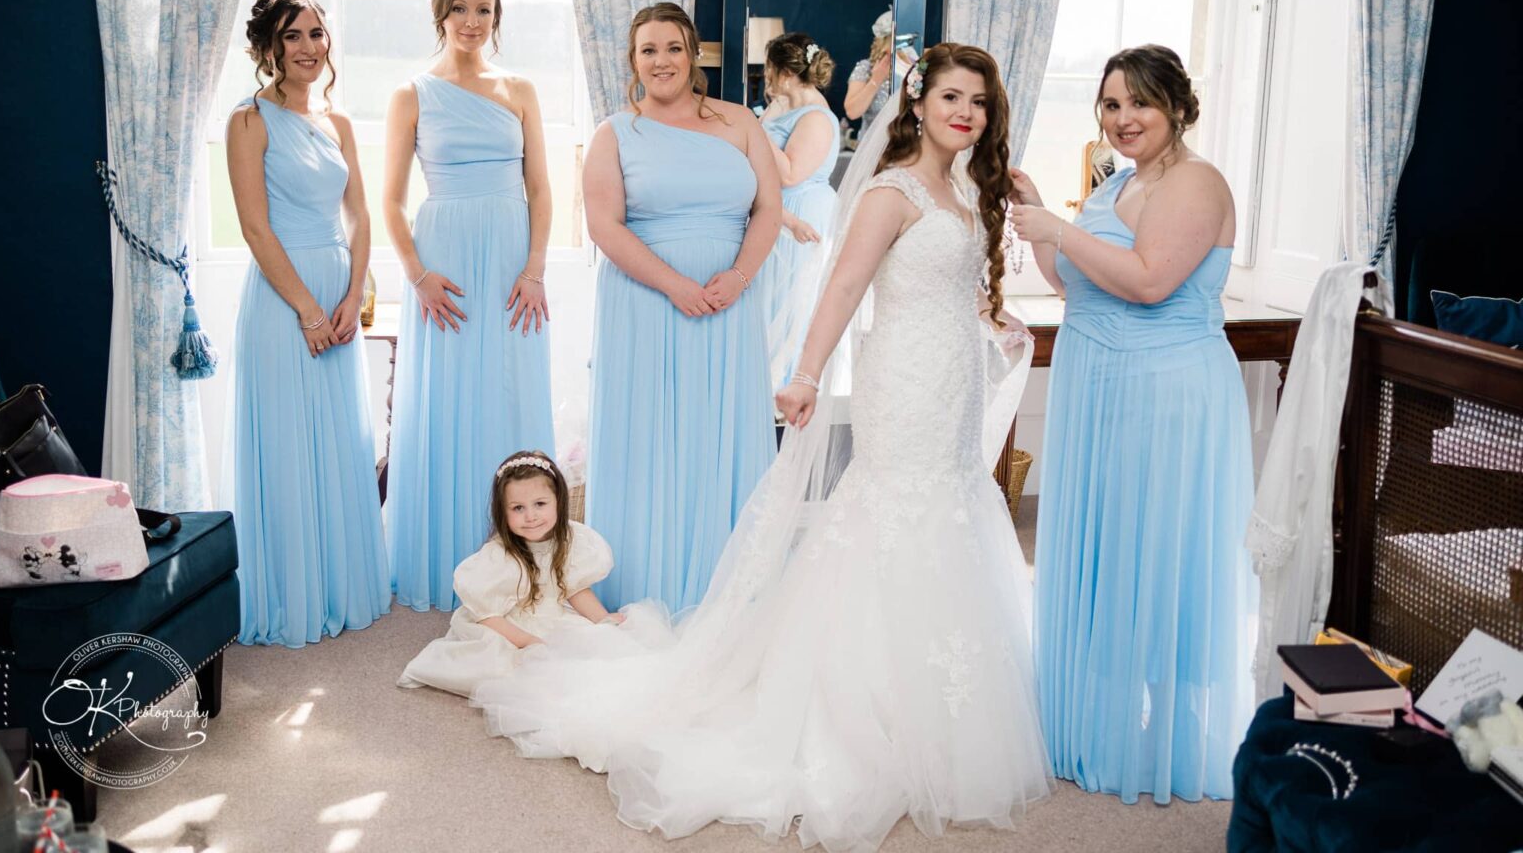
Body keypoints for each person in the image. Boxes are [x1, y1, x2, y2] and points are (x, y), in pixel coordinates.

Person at [472, 43, 1052, 851]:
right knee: (895, 514)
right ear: (917, 104)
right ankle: (867, 710)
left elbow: (953, 284)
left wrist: (995, 318)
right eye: (951, 96)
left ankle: (946, 708)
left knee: (951, 510)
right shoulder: (890, 191)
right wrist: (806, 373)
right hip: (903, 386)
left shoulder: (965, 190)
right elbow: (843, 286)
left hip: (953, 383)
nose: (966, 113)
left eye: (979, 102)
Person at [1011, 43, 1254, 804]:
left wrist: (1056, 226)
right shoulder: (1116, 182)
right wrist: (1043, 218)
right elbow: (1073, 283)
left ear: (1177, 106)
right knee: (1111, 543)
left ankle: (1172, 728)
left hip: (1165, 390)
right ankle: (1101, 719)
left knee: (1160, 547)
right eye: (1112, 105)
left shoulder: (1195, 182)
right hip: (1099, 389)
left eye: (1140, 103)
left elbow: (1150, 283)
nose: (1123, 119)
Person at [583, 2, 782, 613]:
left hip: (729, 304)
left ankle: (726, 588)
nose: (662, 60)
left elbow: (769, 209)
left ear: (693, 54)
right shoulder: (615, 133)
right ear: (633, 60)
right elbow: (604, 226)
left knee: (719, 434)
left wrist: (740, 277)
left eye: (674, 47)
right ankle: (647, 586)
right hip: (645, 303)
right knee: (651, 441)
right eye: (649, 50)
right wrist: (674, 285)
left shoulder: (740, 122)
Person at [382, 0, 556, 613]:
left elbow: (541, 188)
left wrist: (534, 269)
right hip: (445, 263)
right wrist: (418, 276)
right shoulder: (412, 94)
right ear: (440, 14)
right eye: (460, 8)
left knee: (509, 391)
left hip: (511, 261)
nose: (472, 21)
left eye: (483, 9)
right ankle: (448, 557)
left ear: (496, 17)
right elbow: (390, 201)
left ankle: (522, 561)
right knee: (447, 398)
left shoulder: (520, 89)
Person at [225, 0, 390, 648]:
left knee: (337, 441)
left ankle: (337, 584)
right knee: (288, 443)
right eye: (292, 35)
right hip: (281, 300)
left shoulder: (338, 121)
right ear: (269, 46)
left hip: (336, 296)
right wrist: (308, 309)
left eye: (316, 33)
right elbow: (255, 229)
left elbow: (360, 214)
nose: (307, 47)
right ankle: (290, 594)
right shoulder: (249, 121)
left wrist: (352, 295)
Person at [398, 451, 624, 698]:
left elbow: (575, 589)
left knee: (595, 654)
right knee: (503, 668)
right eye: (518, 508)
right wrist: (527, 641)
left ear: (558, 501)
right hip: (506, 623)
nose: (531, 517)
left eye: (540, 504)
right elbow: (487, 615)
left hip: (553, 616)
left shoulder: (570, 539)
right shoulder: (500, 554)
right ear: (503, 512)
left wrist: (602, 619)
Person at [756, 32, 840, 387]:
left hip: (802, 214)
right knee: (769, 303)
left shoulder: (816, 118)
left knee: (792, 306)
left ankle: (786, 386)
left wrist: (755, 132)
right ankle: (766, 385)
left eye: (769, 69)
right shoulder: (786, 107)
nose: (766, 76)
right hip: (779, 212)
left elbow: (790, 173)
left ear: (787, 74)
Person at [844, 10, 894, 139]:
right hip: (871, 145)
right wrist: (876, 80)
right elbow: (852, 112)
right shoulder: (866, 68)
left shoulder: (915, 71)